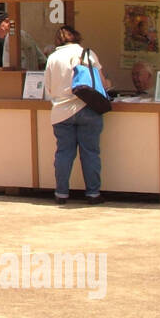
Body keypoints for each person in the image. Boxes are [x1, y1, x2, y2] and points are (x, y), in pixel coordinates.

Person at [43, 24, 112, 206]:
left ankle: (61, 193)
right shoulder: (87, 54)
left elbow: (48, 89)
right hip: (87, 108)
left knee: (64, 153)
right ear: (76, 37)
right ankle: (93, 193)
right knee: (90, 152)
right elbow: (102, 83)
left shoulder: (52, 58)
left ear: (58, 40)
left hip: (61, 112)